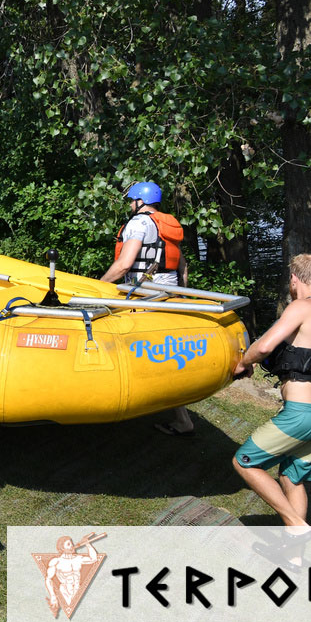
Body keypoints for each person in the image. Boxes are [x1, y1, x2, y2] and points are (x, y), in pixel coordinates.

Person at [232, 254, 311, 527]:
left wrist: (243, 364)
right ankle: (295, 557)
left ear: (294, 279)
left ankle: (296, 526)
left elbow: (263, 346)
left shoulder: (300, 306)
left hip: (302, 414)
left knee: (244, 462)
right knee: (291, 478)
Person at [100, 181, 193, 436]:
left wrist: (98, 287)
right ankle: (183, 419)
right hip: (170, 294)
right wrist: (179, 295)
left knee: (138, 353)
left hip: (144, 295)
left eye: (132, 200)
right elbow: (182, 267)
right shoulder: (166, 224)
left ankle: (127, 402)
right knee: (167, 357)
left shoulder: (138, 223)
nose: (130, 205)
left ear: (140, 201)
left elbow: (123, 264)